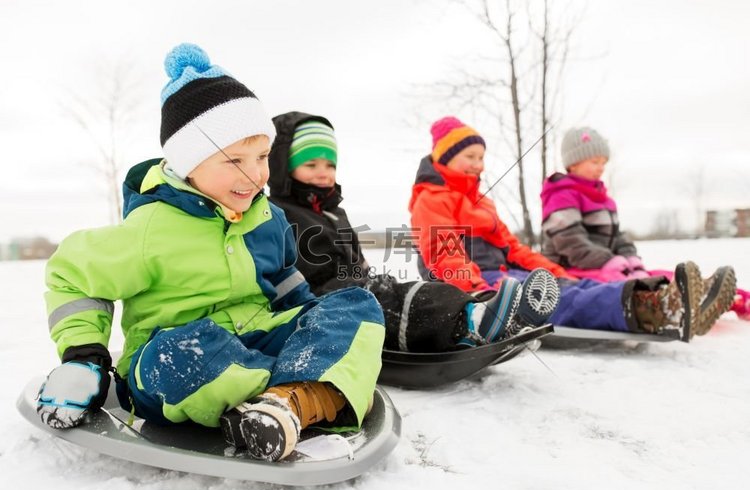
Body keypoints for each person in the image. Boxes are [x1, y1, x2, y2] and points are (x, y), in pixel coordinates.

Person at [36, 44, 386, 463]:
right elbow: (71, 274)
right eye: (234, 160)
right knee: (183, 353)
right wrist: (84, 356)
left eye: (261, 157)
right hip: (175, 361)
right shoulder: (151, 227)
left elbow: (287, 283)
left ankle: (287, 401)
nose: (255, 174)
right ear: (188, 163)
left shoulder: (267, 218)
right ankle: (311, 387)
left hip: (257, 339)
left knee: (354, 304)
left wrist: (314, 327)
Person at [409, 116, 734, 342]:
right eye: (470, 156)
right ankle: (651, 308)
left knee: (565, 287)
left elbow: (516, 250)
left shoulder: (481, 202)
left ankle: (665, 296)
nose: (479, 164)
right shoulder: (433, 199)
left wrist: (556, 272)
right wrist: (479, 296)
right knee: (554, 299)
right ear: (445, 157)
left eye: (481, 157)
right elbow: (443, 254)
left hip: (501, 277)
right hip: (475, 286)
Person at [267, 111, 562, 353]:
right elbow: (292, 274)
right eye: (311, 164)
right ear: (283, 167)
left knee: (408, 290)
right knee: (396, 303)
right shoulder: (279, 213)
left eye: (330, 164)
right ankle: (473, 324)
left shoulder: (333, 211)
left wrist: (367, 275)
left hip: (351, 289)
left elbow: (355, 259)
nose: (324, 172)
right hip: (321, 303)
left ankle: (481, 316)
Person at [540, 126, 744, 323]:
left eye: (604, 162)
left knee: (660, 277)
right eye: (595, 162)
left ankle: (726, 298)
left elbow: (617, 235)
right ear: (573, 163)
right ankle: (675, 306)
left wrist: (630, 258)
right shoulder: (561, 195)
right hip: (570, 269)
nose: (601, 167)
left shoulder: (602, 198)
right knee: (630, 285)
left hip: (606, 264)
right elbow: (570, 241)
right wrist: (608, 262)